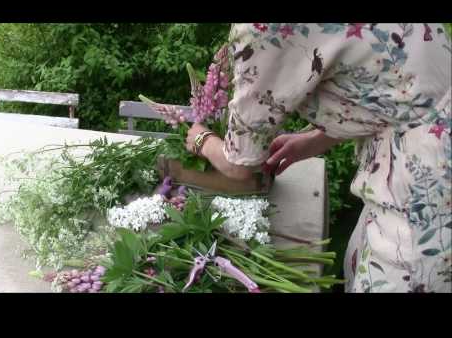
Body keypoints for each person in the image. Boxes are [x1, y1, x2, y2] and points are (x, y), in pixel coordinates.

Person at [185, 23, 451, 293]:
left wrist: (200, 140)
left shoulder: (262, 28)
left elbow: (239, 164)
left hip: (426, 192)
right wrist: (316, 140)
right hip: (428, 159)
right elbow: (400, 87)